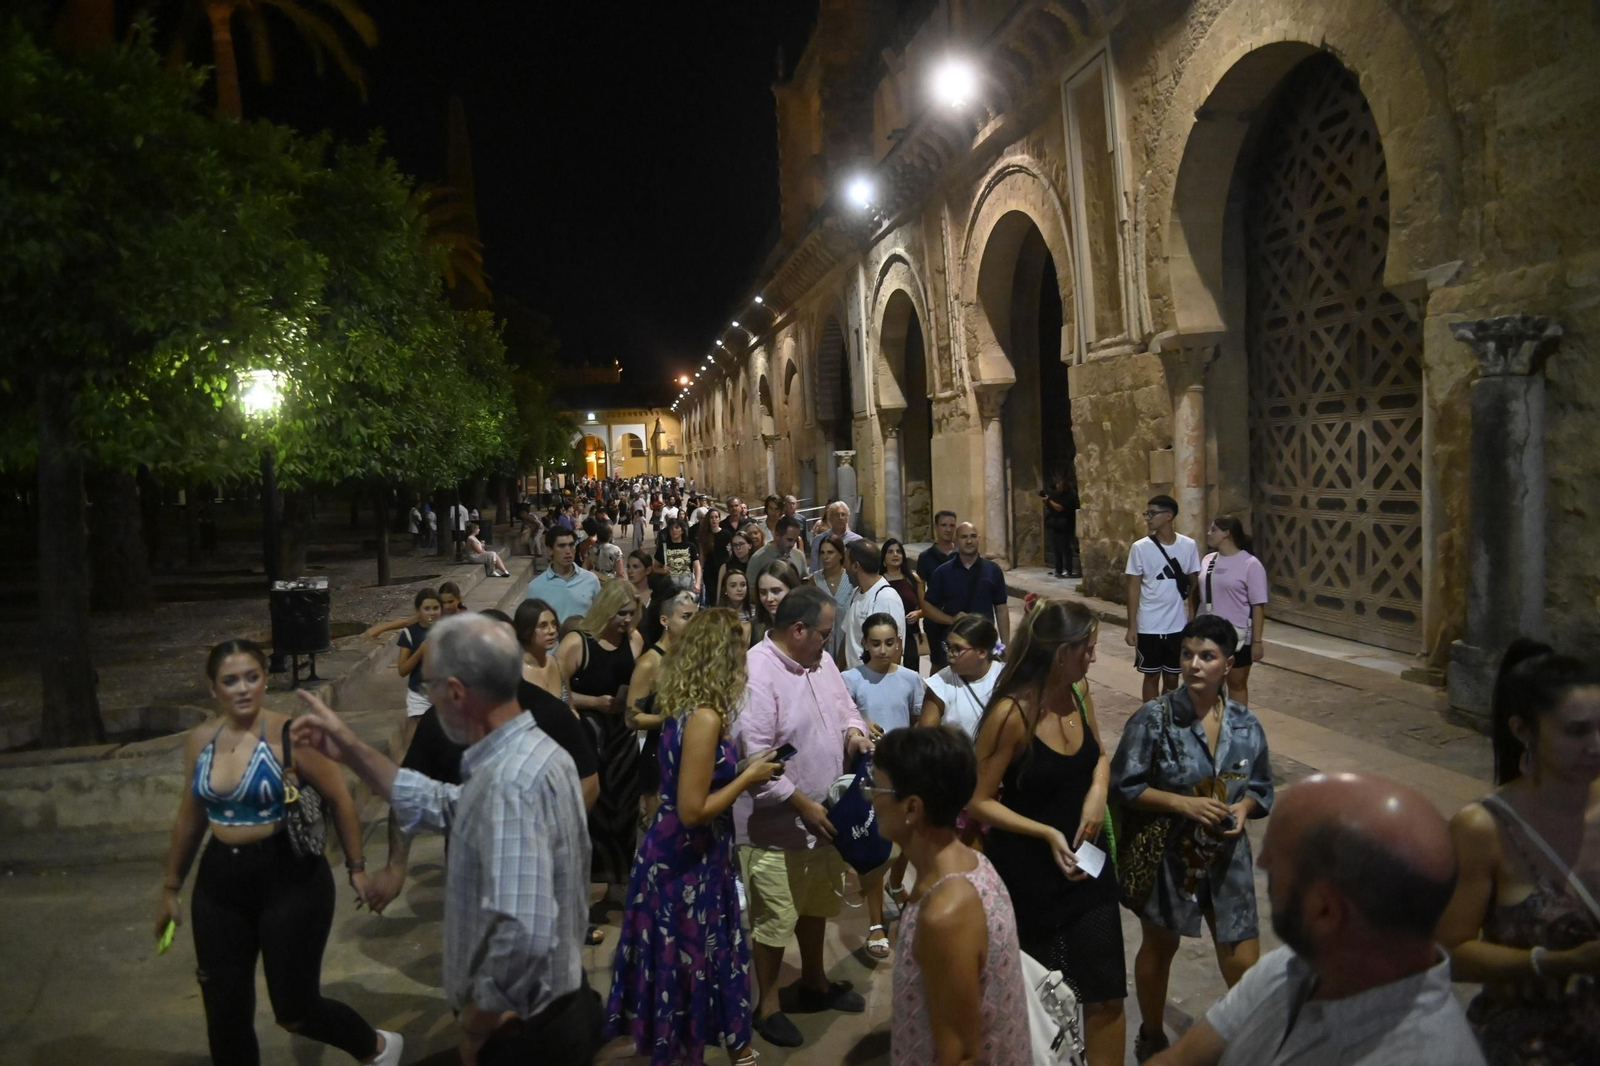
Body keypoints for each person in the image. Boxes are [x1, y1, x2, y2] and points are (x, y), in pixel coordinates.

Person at [291, 616, 601, 1066]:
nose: (427, 696)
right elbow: (443, 802)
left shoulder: (509, 783)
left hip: (523, 1034)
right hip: (553, 1014)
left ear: (456, 693)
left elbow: (523, 934)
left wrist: (478, 1025)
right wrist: (351, 750)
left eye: (430, 685)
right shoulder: (532, 751)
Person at [154, 640, 401, 1066]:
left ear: (265, 680)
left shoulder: (291, 734)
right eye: (230, 681)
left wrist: (357, 868)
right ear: (213, 689)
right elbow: (190, 816)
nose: (243, 688)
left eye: (252, 677)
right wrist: (171, 887)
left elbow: (340, 796)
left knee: (295, 1010)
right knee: (224, 1013)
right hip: (220, 883)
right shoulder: (200, 741)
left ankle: (375, 1047)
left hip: (290, 877)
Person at [1149, 772, 1484, 1066]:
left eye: (1276, 863)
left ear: (1326, 912)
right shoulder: (1296, 965)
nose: (1263, 862)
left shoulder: (1423, 1054)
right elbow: (1179, 1059)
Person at [606, 610, 786, 1066]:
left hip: (691, 858)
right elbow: (692, 809)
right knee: (687, 963)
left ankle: (718, 1042)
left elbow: (698, 780)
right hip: (683, 863)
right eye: (739, 650)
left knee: (703, 958)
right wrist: (746, 782)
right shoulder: (704, 717)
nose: (745, 660)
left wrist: (744, 768)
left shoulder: (689, 707)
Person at [1110, 615, 1273, 1062]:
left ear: (1228, 663)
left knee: (1243, 959)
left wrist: (1244, 808)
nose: (1194, 665)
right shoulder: (1155, 719)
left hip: (1228, 857)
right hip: (1170, 857)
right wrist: (1184, 804)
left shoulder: (1245, 724)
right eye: (1187, 655)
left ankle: (1246, 1039)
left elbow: (1261, 788)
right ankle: (1151, 1032)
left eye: (1207, 656)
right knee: (1160, 947)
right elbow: (1124, 785)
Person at [970, 599, 1126, 1065]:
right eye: (1088, 649)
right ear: (1063, 652)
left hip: (1089, 875)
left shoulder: (1078, 694)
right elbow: (975, 800)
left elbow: (1098, 753)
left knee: (1107, 995)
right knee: (1041, 1005)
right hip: (1030, 879)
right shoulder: (1012, 713)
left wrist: (1099, 789)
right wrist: (1045, 833)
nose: (1094, 658)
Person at [1435, 641, 1600, 1065]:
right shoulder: (1483, 829)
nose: (1597, 745)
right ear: (1523, 730)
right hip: (1530, 1046)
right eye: (1577, 731)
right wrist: (1554, 962)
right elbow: (1449, 951)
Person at [733, 585, 874, 1048]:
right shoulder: (758, 675)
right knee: (775, 921)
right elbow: (755, 762)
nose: (828, 644)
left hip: (825, 819)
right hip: (777, 828)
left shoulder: (819, 661)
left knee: (816, 907)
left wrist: (854, 735)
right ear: (797, 629)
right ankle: (767, 1004)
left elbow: (845, 709)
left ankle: (815, 981)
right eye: (823, 634)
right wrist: (801, 803)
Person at [868, 726, 1029, 1066]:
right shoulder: (972, 863)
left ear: (912, 807)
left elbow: (960, 1056)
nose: (869, 796)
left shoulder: (946, 915)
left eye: (876, 786)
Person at [557, 580, 642, 939]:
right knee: (588, 812)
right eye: (621, 613)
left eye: (631, 614)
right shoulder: (578, 642)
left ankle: (617, 885)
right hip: (588, 735)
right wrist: (595, 703)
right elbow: (556, 688)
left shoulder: (634, 641)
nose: (626, 621)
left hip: (621, 737)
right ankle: (580, 891)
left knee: (623, 809)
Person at [841, 612, 926, 959]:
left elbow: (919, 719)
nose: (883, 650)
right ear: (863, 644)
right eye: (875, 643)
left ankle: (896, 882)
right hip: (870, 775)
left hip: (904, 771)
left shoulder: (910, 679)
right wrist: (861, 721)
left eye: (889, 643)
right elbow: (842, 717)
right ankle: (876, 922)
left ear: (899, 643)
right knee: (875, 846)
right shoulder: (851, 679)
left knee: (908, 842)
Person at [627, 588, 699, 828]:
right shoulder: (649, 662)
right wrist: (672, 717)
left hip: (689, 753)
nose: (693, 623)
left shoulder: (691, 655)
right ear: (665, 620)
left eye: (695, 617)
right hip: (659, 756)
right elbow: (631, 718)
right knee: (665, 835)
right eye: (686, 617)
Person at [1125, 494, 1201, 702]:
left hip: (1176, 624)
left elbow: (1194, 583)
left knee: (1172, 677)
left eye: (1152, 513)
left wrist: (1192, 618)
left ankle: (1167, 718)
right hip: (1149, 624)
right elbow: (1133, 588)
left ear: (1168, 516)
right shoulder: (1140, 548)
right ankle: (1150, 719)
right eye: (1146, 513)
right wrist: (1132, 626)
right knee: (1150, 676)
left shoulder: (1188, 545)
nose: (1148, 518)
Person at [1199, 515, 1268, 706]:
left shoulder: (1250, 564)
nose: (1209, 534)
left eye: (1213, 530)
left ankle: (1238, 726)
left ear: (1226, 534)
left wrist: (1257, 641)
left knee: (1236, 683)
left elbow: (1258, 605)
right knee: (1209, 683)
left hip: (1237, 635)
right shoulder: (1208, 560)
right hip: (1209, 634)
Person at [923, 521, 1012, 648]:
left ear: (979, 539)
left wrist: (1005, 645)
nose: (969, 541)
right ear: (956, 541)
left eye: (973, 536)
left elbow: (1001, 608)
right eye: (964, 537)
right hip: (955, 642)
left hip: (984, 642)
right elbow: (927, 607)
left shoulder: (993, 570)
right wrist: (951, 620)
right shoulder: (943, 572)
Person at [920, 614, 1003, 738]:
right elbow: (925, 738)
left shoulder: (1006, 677)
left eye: (957, 649)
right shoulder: (939, 685)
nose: (950, 653)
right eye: (948, 647)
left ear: (981, 652)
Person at [840, 540, 906, 669]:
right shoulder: (856, 593)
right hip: (853, 682)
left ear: (855, 566)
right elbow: (848, 638)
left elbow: (895, 649)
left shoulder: (886, 598)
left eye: (846, 562)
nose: (844, 568)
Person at [395, 588, 443, 754]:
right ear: (418, 610)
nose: (432, 613)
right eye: (427, 608)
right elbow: (402, 670)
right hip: (419, 694)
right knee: (419, 740)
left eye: (436, 608)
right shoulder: (410, 633)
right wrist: (421, 651)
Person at [527, 526, 601, 626]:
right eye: (562, 546)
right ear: (550, 550)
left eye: (571, 545)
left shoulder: (591, 580)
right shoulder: (536, 587)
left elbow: (600, 617)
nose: (568, 551)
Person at [916, 510, 959, 671]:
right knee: (938, 665)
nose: (948, 529)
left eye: (952, 525)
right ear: (936, 527)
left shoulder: (961, 555)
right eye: (944, 525)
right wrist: (925, 611)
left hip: (959, 618)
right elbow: (921, 591)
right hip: (935, 622)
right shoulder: (926, 557)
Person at [808, 533, 856, 666]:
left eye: (830, 552)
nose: (825, 557)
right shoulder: (815, 580)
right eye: (822, 553)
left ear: (841, 554)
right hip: (823, 642)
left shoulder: (851, 578)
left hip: (847, 640)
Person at [881, 538, 925, 677]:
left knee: (911, 672)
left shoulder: (913, 578)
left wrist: (918, 614)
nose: (895, 554)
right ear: (883, 558)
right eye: (890, 552)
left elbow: (926, 608)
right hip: (886, 633)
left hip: (911, 633)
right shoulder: (879, 580)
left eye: (899, 551)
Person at [749, 561, 800, 649]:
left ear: (792, 590)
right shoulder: (754, 628)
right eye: (763, 592)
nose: (769, 599)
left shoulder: (807, 625)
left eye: (776, 591)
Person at [747, 515, 808, 580]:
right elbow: (752, 589)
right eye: (789, 540)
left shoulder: (799, 556)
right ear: (777, 535)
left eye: (795, 540)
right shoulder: (757, 559)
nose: (792, 544)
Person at [1043, 469, 1079, 578]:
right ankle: (1058, 569)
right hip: (1055, 525)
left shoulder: (1070, 495)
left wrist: (1049, 501)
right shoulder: (1057, 495)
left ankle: (1068, 570)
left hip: (1065, 525)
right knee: (1056, 549)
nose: (1057, 485)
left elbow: (1060, 508)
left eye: (1059, 483)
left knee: (1065, 548)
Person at [808, 500, 863, 571]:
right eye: (836, 515)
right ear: (830, 518)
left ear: (847, 518)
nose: (840, 517)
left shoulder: (858, 541)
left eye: (843, 514)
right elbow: (814, 568)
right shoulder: (818, 540)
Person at [654, 516, 702, 596]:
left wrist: (697, 583)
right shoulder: (663, 547)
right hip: (670, 586)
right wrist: (662, 570)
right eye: (671, 528)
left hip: (687, 584)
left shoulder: (690, 546)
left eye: (677, 527)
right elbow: (655, 568)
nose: (674, 530)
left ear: (682, 530)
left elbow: (697, 566)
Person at [718, 567, 755, 641]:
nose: (739, 589)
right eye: (733, 585)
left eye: (743, 585)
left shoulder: (755, 613)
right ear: (725, 590)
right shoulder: (718, 615)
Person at [696, 505, 724, 604]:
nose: (714, 520)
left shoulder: (726, 534)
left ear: (720, 519)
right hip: (709, 571)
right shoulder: (704, 536)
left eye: (716, 517)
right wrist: (699, 574)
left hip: (722, 569)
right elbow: (702, 556)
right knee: (712, 598)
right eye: (711, 517)